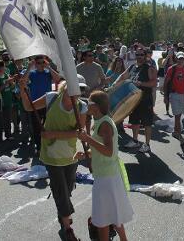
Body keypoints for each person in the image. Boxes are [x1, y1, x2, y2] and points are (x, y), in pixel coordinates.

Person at [19, 76, 88, 241]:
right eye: (75, 88)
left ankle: (62, 213)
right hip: (51, 155)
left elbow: (80, 133)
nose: (78, 92)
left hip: (70, 155)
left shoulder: (82, 107)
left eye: (81, 89)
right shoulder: (51, 97)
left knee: (67, 189)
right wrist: (22, 89)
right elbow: (29, 106)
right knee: (60, 190)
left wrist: (53, 134)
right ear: (65, 87)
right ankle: (67, 228)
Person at [76, 91, 133, 241]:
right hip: (108, 175)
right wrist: (86, 154)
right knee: (114, 214)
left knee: (102, 220)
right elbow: (101, 149)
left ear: (95, 106)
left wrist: (87, 138)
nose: (87, 106)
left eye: (89, 103)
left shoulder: (105, 124)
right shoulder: (102, 121)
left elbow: (108, 151)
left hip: (106, 178)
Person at [115, 48, 157, 152]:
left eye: (141, 54)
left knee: (147, 123)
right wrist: (114, 85)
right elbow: (122, 76)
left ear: (145, 55)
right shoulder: (132, 67)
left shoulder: (149, 68)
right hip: (133, 100)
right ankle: (135, 141)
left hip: (145, 99)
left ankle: (147, 144)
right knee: (134, 121)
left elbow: (154, 83)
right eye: (137, 54)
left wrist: (141, 83)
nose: (139, 56)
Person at [23, 55, 61, 154]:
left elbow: (58, 79)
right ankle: (39, 146)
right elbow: (23, 81)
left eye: (42, 62)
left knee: (49, 125)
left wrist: (49, 67)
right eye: (38, 63)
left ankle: (48, 145)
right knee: (36, 126)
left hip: (48, 104)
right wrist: (29, 67)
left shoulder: (48, 73)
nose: (41, 65)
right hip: (35, 104)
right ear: (35, 63)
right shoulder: (31, 73)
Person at [163, 52, 184, 144]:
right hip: (174, 94)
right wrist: (165, 96)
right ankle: (179, 136)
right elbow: (165, 83)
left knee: (179, 115)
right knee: (177, 116)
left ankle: (176, 132)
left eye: (182, 59)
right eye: (179, 59)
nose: (181, 60)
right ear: (176, 59)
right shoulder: (172, 69)